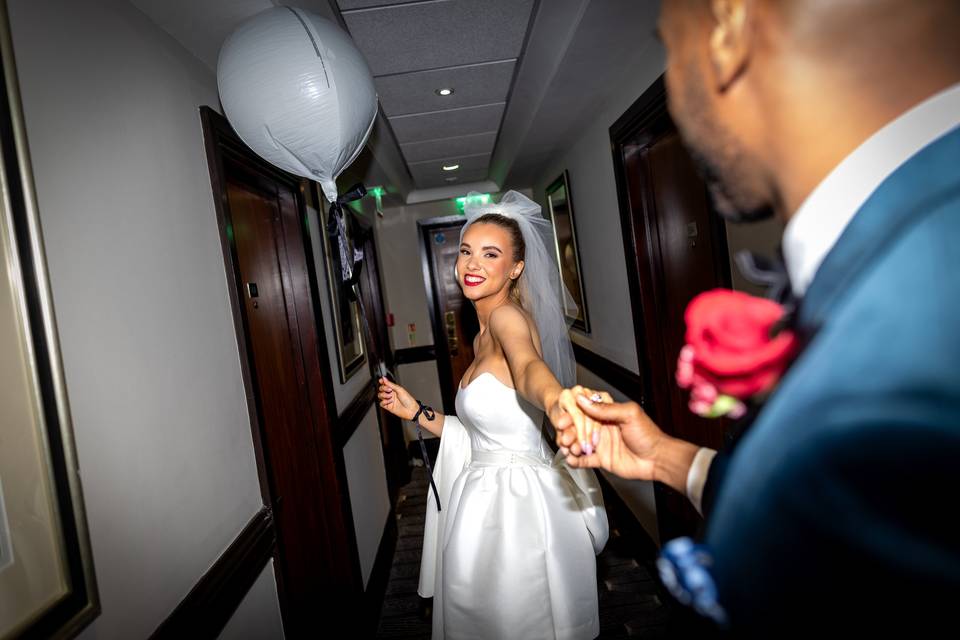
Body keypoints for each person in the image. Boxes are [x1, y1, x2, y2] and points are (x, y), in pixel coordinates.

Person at [556, 0, 960, 635]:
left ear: (728, 29)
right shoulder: (916, 239)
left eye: (672, 44)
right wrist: (667, 457)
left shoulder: (900, 371)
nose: (678, 87)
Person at [378, 191, 608, 639]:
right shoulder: (481, 333)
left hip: (516, 508)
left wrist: (558, 400)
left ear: (516, 268)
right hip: (482, 497)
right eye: (466, 251)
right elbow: (485, 432)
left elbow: (528, 369)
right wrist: (418, 412)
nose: (472, 263)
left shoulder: (507, 320)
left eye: (490, 253)